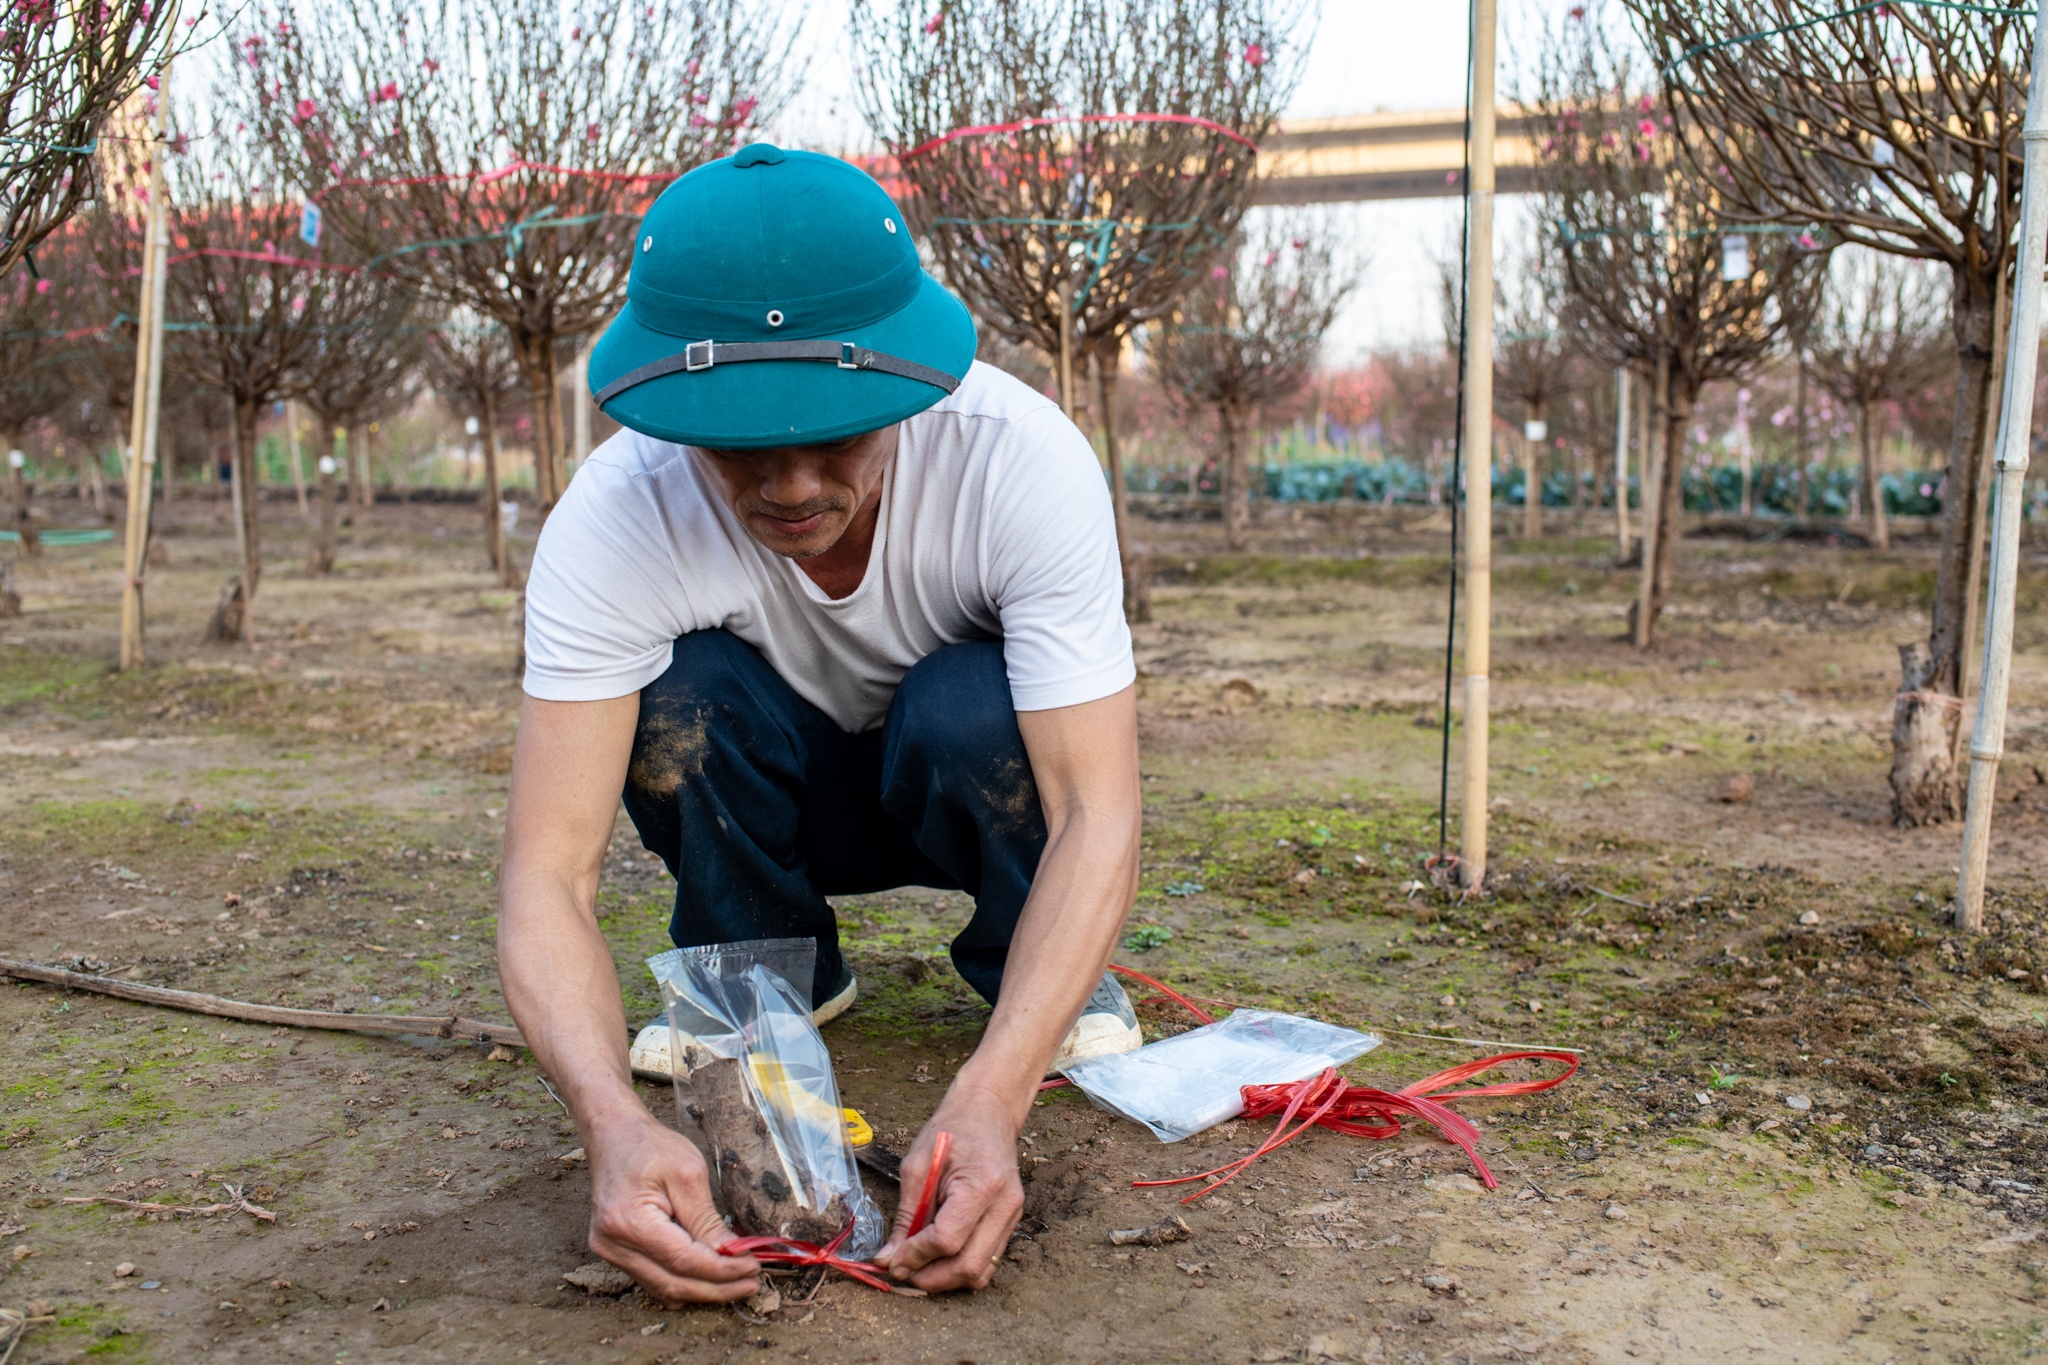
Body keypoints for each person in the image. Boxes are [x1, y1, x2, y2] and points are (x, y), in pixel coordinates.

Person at [495, 143, 1143, 1302]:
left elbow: (1095, 809)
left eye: (838, 434)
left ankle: (1034, 973)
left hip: (951, 773)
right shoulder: (616, 514)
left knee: (971, 704)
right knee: (678, 699)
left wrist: (991, 1100)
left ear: (910, 388)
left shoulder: (1019, 461)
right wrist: (610, 1124)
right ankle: (762, 970)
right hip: (780, 785)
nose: (791, 486)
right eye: (742, 445)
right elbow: (547, 870)